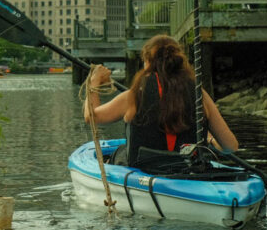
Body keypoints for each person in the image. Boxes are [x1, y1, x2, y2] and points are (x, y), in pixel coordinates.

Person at [83, 35, 237, 171]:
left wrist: (94, 81)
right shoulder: (199, 94)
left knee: (119, 153)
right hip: (188, 169)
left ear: (148, 62)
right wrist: (209, 139)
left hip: (144, 170)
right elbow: (230, 146)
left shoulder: (133, 96)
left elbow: (91, 117)